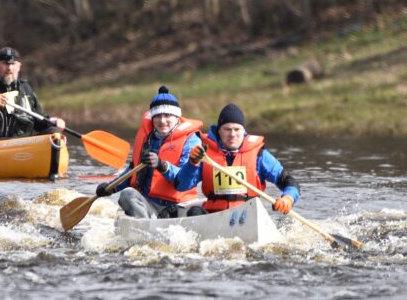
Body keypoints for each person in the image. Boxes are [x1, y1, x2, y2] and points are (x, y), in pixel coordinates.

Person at [96, 86, 204, 218]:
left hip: (180, 206)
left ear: (177, 117)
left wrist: (162, 165)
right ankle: (146, 228)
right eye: (157, 115)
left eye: (167, 115)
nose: (162, 120)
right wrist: (111, 187)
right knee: (127, 194)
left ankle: (149, 228)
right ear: (152, 118)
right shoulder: (147, 139)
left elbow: (184, 182)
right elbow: (133, 172)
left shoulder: (192, 141)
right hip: (150, 204)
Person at [176, 103, 299, 215]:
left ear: (243, 130)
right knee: (194, 212)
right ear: (219, 131)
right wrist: (192, 164)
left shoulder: (259, 155)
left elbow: (289, 181)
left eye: (237, 129)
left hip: (248, 215)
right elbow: (181, 185)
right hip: (214, 215)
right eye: (227, 129)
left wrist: (288, 198)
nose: (232, 134)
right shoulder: (204, 154)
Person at [0, 46, 65, 141]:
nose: (10, 68)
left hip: (22, 142)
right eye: (5, 64)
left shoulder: (26, 89)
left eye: (13, 64)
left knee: (54, 132)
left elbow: (39, 120)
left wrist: (53, 121)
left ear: (19, 67)